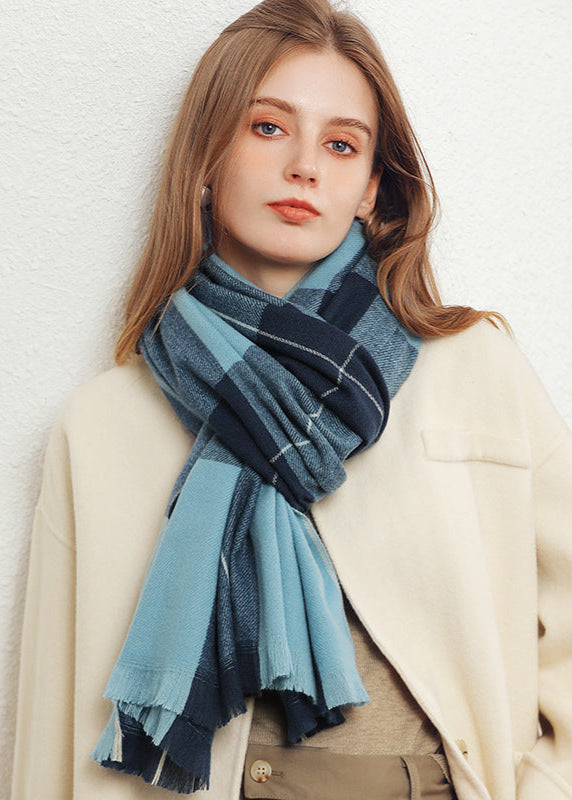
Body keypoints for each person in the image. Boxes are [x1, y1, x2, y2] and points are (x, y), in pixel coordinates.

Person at [10, 0, 572, 798]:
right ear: (206, 158)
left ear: (372, 188)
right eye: (268, 127)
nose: (305, 166)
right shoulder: (101, 424)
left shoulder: (474, 367)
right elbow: (49, 721)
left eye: (341, 144)